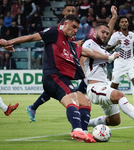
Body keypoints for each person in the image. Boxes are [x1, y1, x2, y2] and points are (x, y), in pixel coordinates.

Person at [0, 14, 118, 143]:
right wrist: (9, 42)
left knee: (85, 102)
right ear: (65, 24)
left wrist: (110, 57)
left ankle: (83, 132)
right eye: (73, 27)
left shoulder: (71, 45)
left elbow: (89, 52)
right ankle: (76, 129)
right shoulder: (55, 33)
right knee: (72, 98)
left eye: (77, 28)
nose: (75, 31)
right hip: (53, 76)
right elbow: (31, 37)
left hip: (62, 79)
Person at [82, 23, 134, 130]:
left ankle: (85, 124)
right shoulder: (89, 44)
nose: (105, 35)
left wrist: (114, 16)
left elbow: (103, 51)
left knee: (115, 121)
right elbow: (83, 58)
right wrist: (83, 73)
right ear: (95, 32)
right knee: (119, 95)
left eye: (107, 33)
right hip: (94, 87)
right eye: (103, 32)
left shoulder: (102, 48)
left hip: (104, 86)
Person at [106, 15, 134, 110]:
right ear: (119, 24)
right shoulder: (115, 35)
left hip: (130, 61)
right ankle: (108, 102)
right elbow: (107, 48)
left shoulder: (133, 35)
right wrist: (115, 44)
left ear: (128, 23)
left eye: (125, 21)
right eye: (122, 22)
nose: (124, 23)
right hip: (119, 62)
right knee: (114, 85)